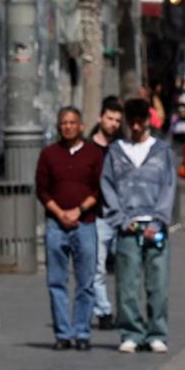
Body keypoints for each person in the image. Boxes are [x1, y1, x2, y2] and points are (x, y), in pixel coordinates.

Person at [99, 98, 176, 353]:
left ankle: (157, 332)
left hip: (156, 227)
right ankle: (131, 331)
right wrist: (120, 219)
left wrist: (159, 220)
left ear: (147, 120)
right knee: (127, 284)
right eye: (130, 121)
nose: (135, 126)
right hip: (127, 227)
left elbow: (168, 187)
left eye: (139, 121)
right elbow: (107, 185)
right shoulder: (116, 150)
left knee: (158, 284)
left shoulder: (162, 151)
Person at [35, 106, 104, 351]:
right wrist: (59, 213)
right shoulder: (49, 154)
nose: (68, 126)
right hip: (56, 224)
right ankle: (63, 334)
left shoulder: (94, 154)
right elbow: (42, 189)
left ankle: (82, 333)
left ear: (81, 126)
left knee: (85, 281)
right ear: (58, 126)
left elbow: (99, 189)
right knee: (56, 281)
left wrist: (78, 210)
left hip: (84, 224)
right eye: (63, 122)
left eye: (72, 122)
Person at [90, 96, 124, 330]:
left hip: (122, 216)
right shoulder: (88, 148)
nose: (113, 123)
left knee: (125, 267)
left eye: (117, 120)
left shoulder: (123, 148)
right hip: (98, 216)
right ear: (100, 117)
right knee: (97, 268)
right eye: (109, 118)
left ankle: (125, 311)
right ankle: (103, 311)